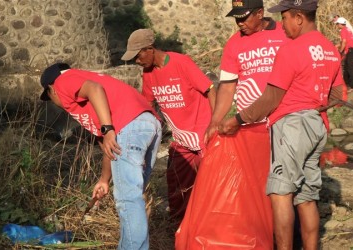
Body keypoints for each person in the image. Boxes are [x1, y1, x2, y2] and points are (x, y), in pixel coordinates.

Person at [218, 0, 345, 249]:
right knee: (307, 197)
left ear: (299, 17)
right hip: (318, 126)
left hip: (292, 127)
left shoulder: (291, 50)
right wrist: (313, 106)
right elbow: (338, 94)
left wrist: (236, 120)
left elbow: (270, 99)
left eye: (285, 18)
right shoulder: (329, 48)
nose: (283, 25)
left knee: (280, 193)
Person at [175, 0, 289, 248]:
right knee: (263, 184)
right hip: (253, 125)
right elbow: (227, 86)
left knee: (288, 186)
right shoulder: (235, 43)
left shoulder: (283, 33)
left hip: (285, 120)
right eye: (236, 18)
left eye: (244, 17)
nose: (239, 23)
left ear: (260, 13)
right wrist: (215, 121)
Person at [39, 62, 162, 250]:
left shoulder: (64, 81)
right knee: (133, 196)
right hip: (148, 125)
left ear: (51, 90)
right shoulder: (94, 103)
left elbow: (94, 89)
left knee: (128, 198)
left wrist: (108, 128)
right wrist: (104, 180)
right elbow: (110, 147)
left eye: (48, 97)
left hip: (130, 126)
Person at [121, 29, 216, 224]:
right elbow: (148, 105)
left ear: (149, 49)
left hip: (202, 132)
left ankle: (212, 224)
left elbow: (211, 90)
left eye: (138, 56)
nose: (137, 62)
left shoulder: (181, 63)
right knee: (177, 183)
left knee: (212, 182)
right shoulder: (148, 74)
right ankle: (179, 225)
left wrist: (215, 124)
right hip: (181, 138)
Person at [335, 16, 353, 89]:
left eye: (337, 24)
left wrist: (341, 51)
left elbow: (344, 42)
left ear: (341, 24)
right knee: (347, 65)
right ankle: (346, 82)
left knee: (350, 66)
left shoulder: (343, 30)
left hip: (352, 48)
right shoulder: (348, 29)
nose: (337, 26)